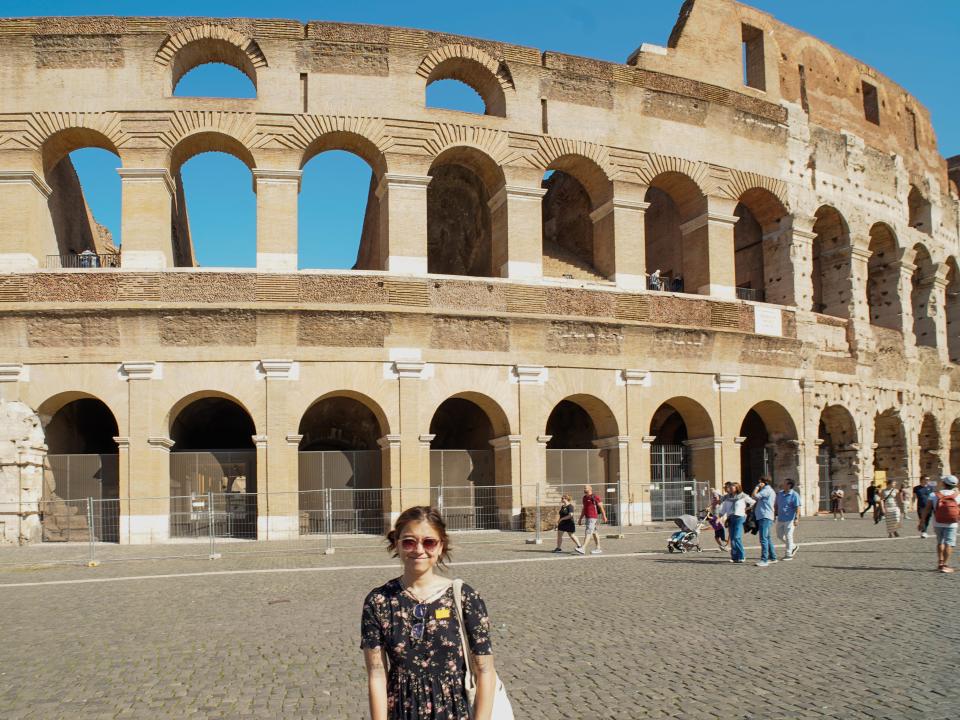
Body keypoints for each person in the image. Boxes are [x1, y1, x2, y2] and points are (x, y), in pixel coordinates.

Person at [361, 506, 497, 720]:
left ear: (441, 546)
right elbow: (377, 673)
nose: (419, 549)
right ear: (396, 543)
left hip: (454, 712)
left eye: (429, 542)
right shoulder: (379, 601)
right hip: (402, 712)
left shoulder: (464, 598)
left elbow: (485, 670)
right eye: (409, 541)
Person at [919, 475, 959, 573]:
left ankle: (940, 563)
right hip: (952, 523)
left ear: (943, 483)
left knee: (940, 542)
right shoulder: (958, 495)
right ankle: (945, 566)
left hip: (937, 522)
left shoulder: (934, 495)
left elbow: (927, 509)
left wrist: (922, 521)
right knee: (949, 543)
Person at [717, 481, 755, 564]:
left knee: (737, 537)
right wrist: (719, 517)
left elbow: (753, 502)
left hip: (739, 518)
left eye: (732, 487)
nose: (730, 488)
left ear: (737, 488)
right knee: (732, 538)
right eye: (729, 487)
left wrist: (746, 509)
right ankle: (734, 557)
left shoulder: (743, 496)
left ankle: (741, 556)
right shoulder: (727, 497)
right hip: (730, 518)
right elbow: (723, 509)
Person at [751, 476, 778, 567]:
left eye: (759, 482)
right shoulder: (768, 490)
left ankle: (764, 560)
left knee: (763, 538)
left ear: (763, 482)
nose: (759, 484)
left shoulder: (766, 490)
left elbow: (754, 496)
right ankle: (773, 557)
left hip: (765, 516)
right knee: (767, 537)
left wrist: (757, 487)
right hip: (765, 516)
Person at [775, 479, 802, 559]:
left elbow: (798, 507)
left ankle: (788, 554)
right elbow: (776, 505)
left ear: (789, 485)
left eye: (784, 483)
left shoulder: (794, 495)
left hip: (790, 518)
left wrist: (796, 518)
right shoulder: (780, 494)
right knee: (779, 535)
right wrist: (775, 514)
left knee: (788, 536)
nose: (782, 484)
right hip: (780, 518)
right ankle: (793, 546)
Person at [577, 484, 607, 555]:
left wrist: (604, 516)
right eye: (584, 488)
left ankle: (583, 548)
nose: (584, 489)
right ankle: (598, 548)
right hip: (587, 517)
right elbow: (584, 509)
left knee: (588, 532)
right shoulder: (584, 498)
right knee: (594, 532)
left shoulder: (595, 497)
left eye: (586, 488)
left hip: (593, 517)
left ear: (590, 489)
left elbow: (601, 507)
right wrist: (580, 518)